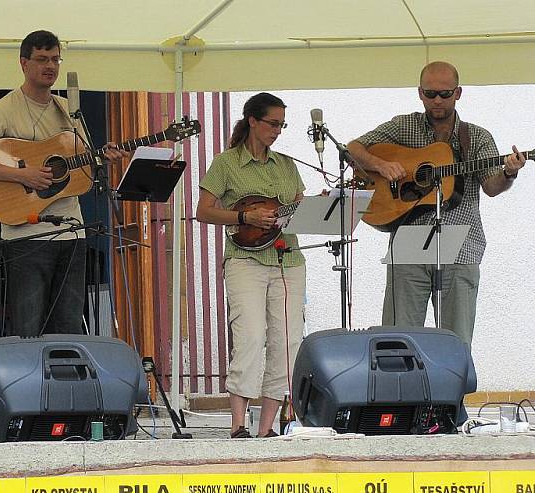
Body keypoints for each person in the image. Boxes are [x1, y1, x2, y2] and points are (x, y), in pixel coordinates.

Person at [0, 30, 123, 338]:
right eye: (42, 59)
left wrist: (103, 157)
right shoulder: (6, 108)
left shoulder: (69, 110)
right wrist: (22, 175)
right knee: (28, 328)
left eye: (55, 59)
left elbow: (82, 166)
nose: (51, 66)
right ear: (23, 63)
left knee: (69, 327)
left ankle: (65, 386)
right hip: (27, 234)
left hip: (72, 232)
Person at [347, 61, 526, 348]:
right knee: (397, 339)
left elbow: (492, 187)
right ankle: (401, 392)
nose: (438, 100)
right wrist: (381, 165)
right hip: (408, 243)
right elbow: (353, 148)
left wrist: (509, 172)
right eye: (430, 94)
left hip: (461, 245)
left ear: (459, 93)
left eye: (445, 93)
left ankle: (451, 394)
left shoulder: (476, 136)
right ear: (420, 93)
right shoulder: (402, 126)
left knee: (455, 341)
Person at [196, 92, 306, 438]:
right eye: (272, 123)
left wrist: (310, 207)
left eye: (281, 124)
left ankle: (268, 427)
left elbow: (299, 205)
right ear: (253, 121)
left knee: (286, 341)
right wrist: (245, 215)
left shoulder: (287, 164)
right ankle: (238, 425)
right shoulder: (227, 163)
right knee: (250, 335)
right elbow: (203, 210)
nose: (277, 130)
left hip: (287, 259)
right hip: (245, 260)